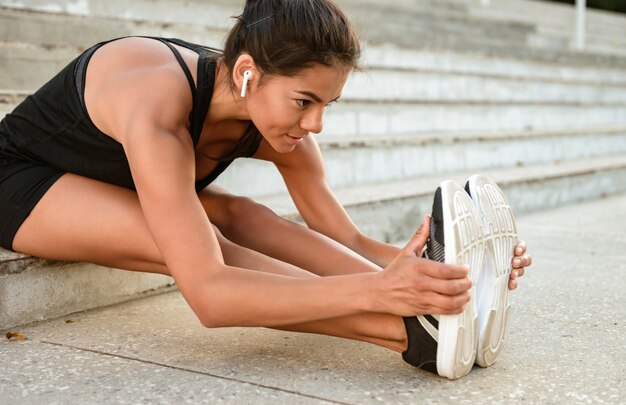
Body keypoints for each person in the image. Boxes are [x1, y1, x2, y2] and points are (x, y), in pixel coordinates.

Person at [0, 0, 531, 377]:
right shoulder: (157, 100)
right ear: (249, 73)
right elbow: (209, 294)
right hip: (19, 178)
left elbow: (346, 238)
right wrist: (378, 292)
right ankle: (406, 333)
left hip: (104, 182)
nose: (316, 123)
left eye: (328, 104)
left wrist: (446, 272)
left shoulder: (279, 123)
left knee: (247, 215)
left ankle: (428, 310)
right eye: (305, 101)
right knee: (207, 242)